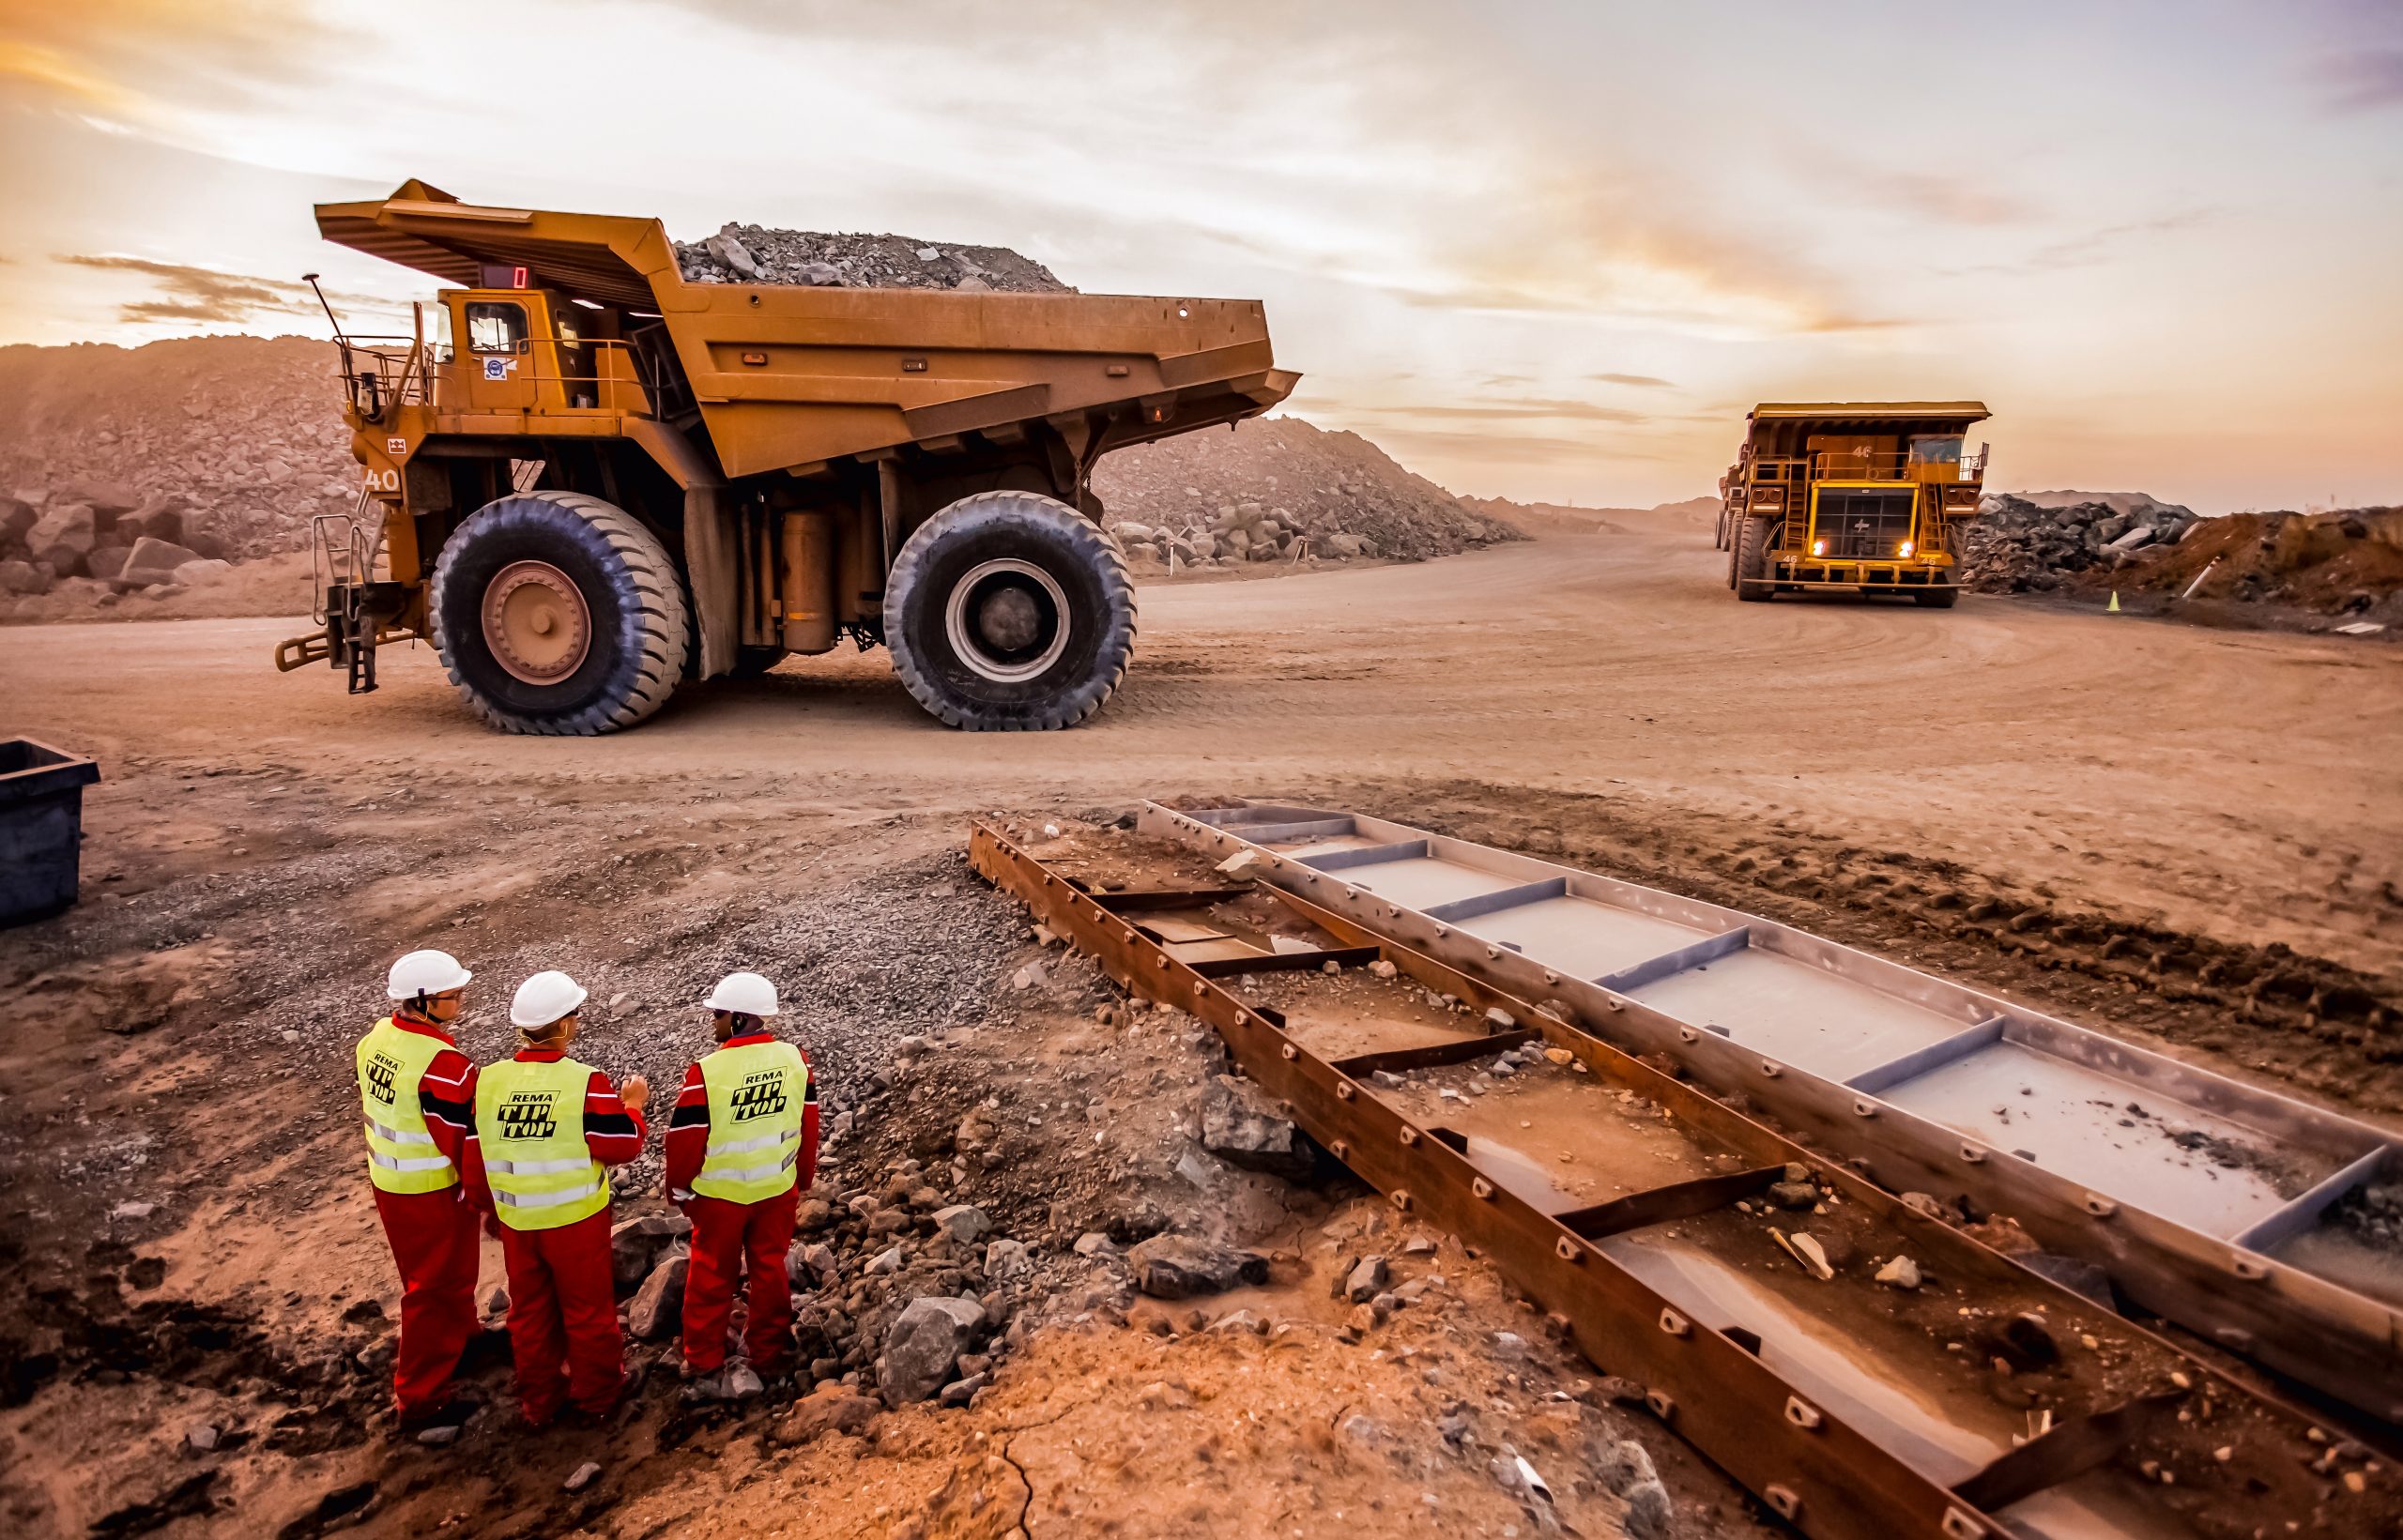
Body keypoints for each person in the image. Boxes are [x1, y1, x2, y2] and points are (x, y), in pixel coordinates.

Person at [465, 969, 650, 1428]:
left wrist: (488, 1210)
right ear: (564, 1026)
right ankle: (599, 1396)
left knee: (529, 1315)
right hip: (574, 1223)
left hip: (517, 1222)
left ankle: (539, 1403)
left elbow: (475, 1154)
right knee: (588, 1312)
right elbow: (621, 1145)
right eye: (575, 1015)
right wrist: (634, 1107)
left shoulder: (488, 1082)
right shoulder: (584, 1083)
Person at [663, 970, 819, 1400]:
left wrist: (678, 1189)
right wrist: (802, 1176)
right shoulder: (795, 1060)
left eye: (717, 1014)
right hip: (776, 1190)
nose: (713, 1021)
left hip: (720, 1198)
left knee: (712, 1274)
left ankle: (702, 1356)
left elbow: (684, 1141)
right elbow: (808, 1125)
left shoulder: (706, 1073)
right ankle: (766, 1350)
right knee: (770, 1269)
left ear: (737, 1017)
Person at [357, 949, 483, 1432]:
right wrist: (483, 1195)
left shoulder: (378, 1038)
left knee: (437, 1277)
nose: (462, 1001)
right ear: (426, 1000)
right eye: (454, 995)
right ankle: (421, 1398)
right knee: (432, 1289)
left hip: (391, 1182)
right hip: (431, 1190)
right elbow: (463, 1142)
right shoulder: (443, 1064)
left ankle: (464, 1337)